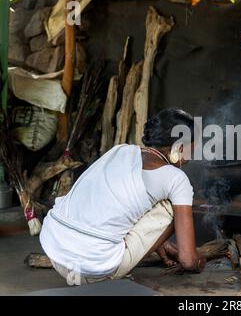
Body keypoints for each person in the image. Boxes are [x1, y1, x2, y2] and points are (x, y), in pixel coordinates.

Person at [40, 108, 205, 285]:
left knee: (138, 200)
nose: (190, 157)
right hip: (92, 270)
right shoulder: (176, 179)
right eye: (190, 150)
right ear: (179, 148)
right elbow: (187, 261)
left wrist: (158, 243)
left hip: (55, 249)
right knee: (171, 206)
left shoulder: (120, 151)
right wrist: (196, 262)